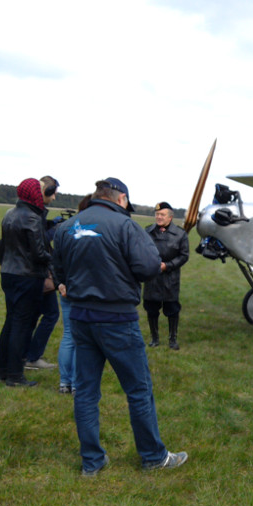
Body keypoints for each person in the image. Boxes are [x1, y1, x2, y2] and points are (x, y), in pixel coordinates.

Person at [53, 178, 188, 475]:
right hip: (117, 320)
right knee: (139, 389)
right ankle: (153, 456)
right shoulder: (125, 226)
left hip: (80, 318)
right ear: (121, 199)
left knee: (86, 391)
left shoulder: (67, 227)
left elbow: (58, 269)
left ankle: (92, 461)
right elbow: (149, 267)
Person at [0, 177, 57, 387]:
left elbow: (3, 245)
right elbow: (39, 253)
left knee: (10, 321)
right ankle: (15, 376)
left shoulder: (9, 214)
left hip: (8, 273)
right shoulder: (32, 217)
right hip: (28, 276)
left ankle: (2, 371)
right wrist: (56, 260)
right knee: (22, 325)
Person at [56, 194, 92, 395]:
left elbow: (56, 259)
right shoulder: (90, 231)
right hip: (82, 290)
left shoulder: (63, 228)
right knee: (81, 339)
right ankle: (78, 383)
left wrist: (61, 282)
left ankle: (65, 383)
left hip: (66, 289)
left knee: (69, 335)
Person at [24, 176, 61, 371]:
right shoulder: (33, 212)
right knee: (51, 314)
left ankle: (25, 353)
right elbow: (35, 242)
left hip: (31, 273)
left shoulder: (33, 211)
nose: (54, 197)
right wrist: (53, 231)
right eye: (52, 192)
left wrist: (49, 224)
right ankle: (32, 356)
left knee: (34, 314)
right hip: (37, 273)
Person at [143, 202, 190, 350]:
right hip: (152, 278)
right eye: (157, 214)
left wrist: (167, 266)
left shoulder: (180, 234)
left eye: (162, 215)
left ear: (170, 217)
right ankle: (154, 339)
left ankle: (172, 339)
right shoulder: (147, 231)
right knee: (151, 309)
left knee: (172, 309)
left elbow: (184, 256)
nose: (159, 217)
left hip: (170, 279)